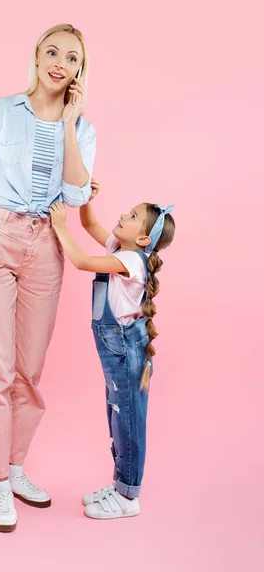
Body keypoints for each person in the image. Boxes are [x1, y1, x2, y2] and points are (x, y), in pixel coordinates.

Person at [0, 24, 97, 533]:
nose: (59, 62)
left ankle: (15, 468)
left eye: (71, 57)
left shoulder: (83, 129)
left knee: (29, 371)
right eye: (52, 51)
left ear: (80, 70)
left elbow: (77, 196)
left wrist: (71, 123)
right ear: (36, 57)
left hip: (46, 249)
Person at [49, 196, 175, 519]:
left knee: (128, 420)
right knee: (118, 418)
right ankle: (120, 484)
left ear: (144, 239)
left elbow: (80, 260)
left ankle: (128, 495)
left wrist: (59, 227)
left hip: (127, 351)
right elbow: (89, 224)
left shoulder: (132, 261)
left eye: (132, 216)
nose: (123, 214)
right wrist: (85, 200)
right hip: (115, 352)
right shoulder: (120, 249)